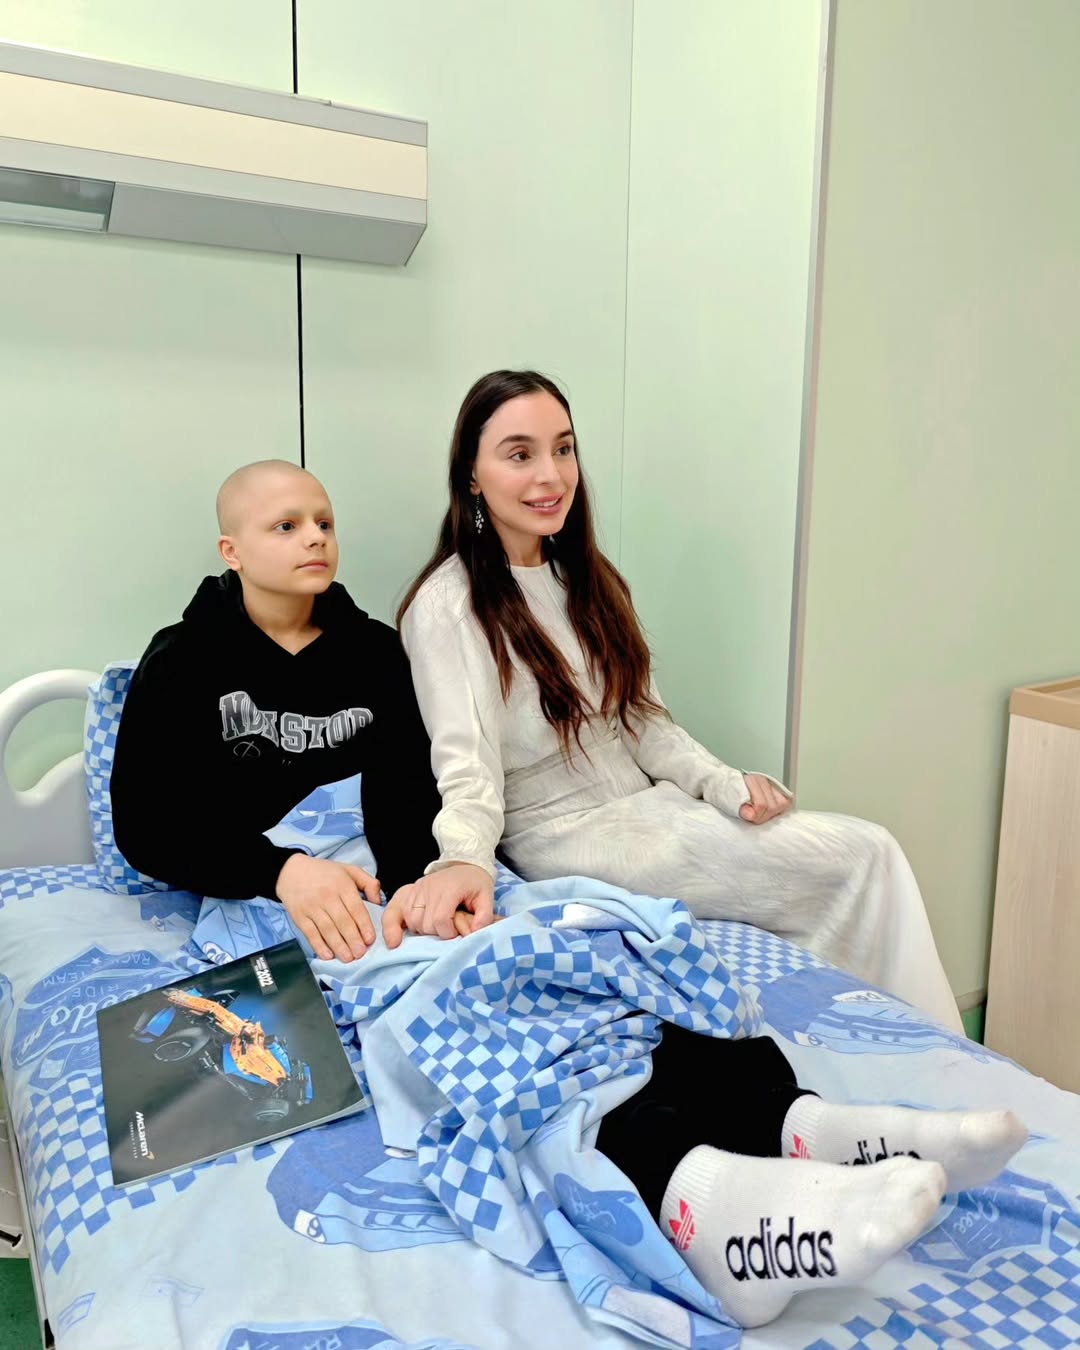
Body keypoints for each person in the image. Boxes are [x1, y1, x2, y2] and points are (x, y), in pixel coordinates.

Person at [394, 370, 962, 1032]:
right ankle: (887, 1040)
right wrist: (463, 859)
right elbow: (465, 765)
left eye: (564, 448)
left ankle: (905, 1041)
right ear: (471, 474)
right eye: (520, 454)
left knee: (868, 851)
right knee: (861, 858)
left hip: (653, 809)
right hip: (568, 835)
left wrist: (723, 784)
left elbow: (646, 723)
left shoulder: (589, 580)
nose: (551, 475)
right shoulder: (446, 606)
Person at [110, 459, 492, 963]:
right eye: (286, 526)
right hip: (247, 880)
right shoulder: (181, 660)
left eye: (325, 523)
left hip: (373, 881)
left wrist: (413, 894)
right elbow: (147, 825)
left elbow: (407, 792)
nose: (315, 538)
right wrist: (280, 872)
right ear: (232, 552)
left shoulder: (377, 653)